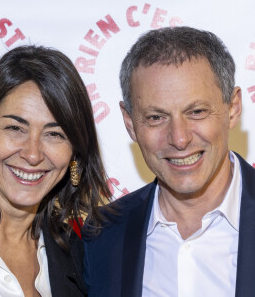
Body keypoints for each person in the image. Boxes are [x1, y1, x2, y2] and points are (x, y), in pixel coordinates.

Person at [82, 26, 255, 297]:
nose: (179, 138)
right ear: (130, 123)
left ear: (232, 108)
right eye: (156, 117)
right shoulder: (99, 237)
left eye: (196, 112)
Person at [0, 45, 110, 297]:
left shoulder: (81, 257)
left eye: (54, 134)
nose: (33, 154)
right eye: (16, 128)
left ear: (75, 152)